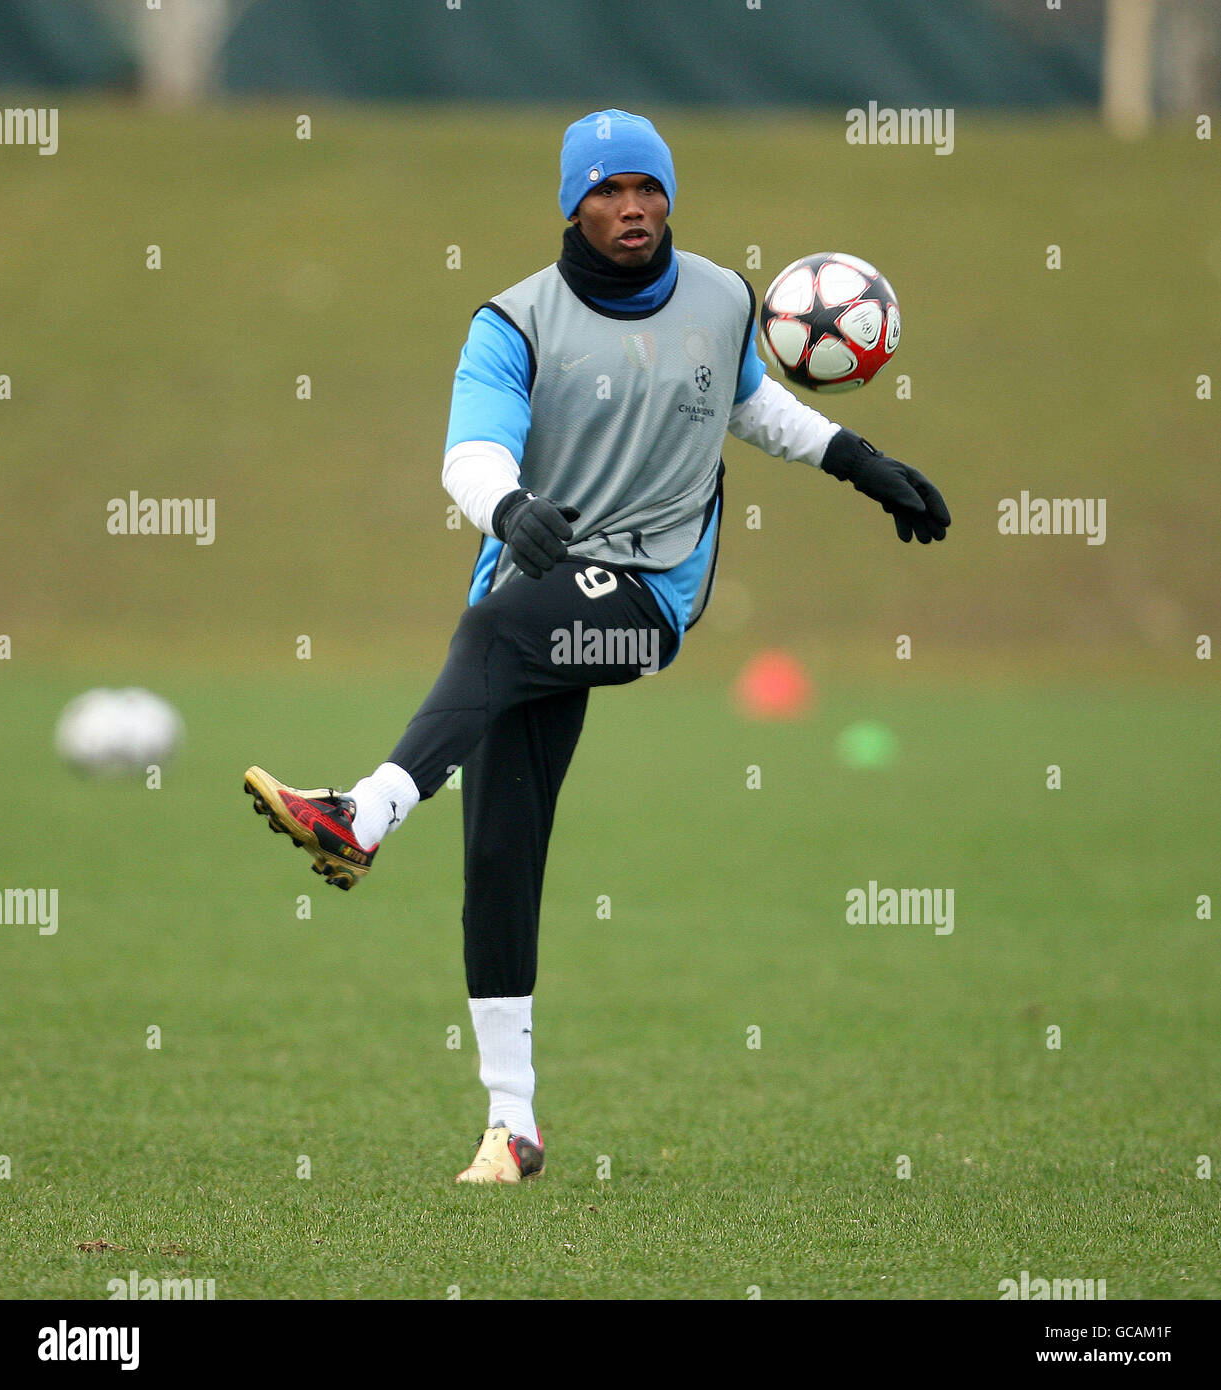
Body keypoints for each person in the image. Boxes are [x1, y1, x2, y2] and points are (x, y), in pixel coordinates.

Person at [244, 109, 950, 1184]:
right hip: (538, 573)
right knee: (499, 853)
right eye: (611, 190)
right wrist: (509, 505)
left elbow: (750, 406)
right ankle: (511, 1124)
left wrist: (861, 460)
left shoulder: (723, 298)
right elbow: (468, 453)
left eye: (650, 189)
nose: (635, 208)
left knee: (495, 630)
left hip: (649, 594)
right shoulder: (512, 322)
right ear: (572, 204)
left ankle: (366, 812)